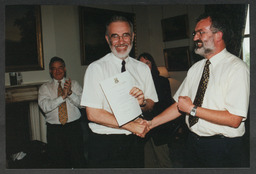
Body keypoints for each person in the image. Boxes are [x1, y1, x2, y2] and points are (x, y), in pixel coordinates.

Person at [142, 12, 250, 168]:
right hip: (193, 143)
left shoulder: (237, 68)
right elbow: (180, 106)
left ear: (218, 35)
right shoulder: (196, 68)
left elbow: (234, 119)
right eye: (195, 33)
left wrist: (192, 109)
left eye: (201, 32)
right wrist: (151, 124)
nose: (195, 38)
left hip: (222, 148)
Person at [80, 16, 158, 168]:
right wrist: (131, 125)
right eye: (115, 36)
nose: (121, 41)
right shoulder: (96, 68)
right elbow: (93, 114)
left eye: (125, 35)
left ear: (133, 37)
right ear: (107, 39)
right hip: (105, 143)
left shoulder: (142, 69)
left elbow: (151, 104)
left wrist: (142, 103)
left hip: (134, 141)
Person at [38, 56, 86, 168]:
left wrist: (70, 94)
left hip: (74, 128)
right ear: (50, 71)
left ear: (64, 69)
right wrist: (62, 97)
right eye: (54, 68)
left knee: (78, 160)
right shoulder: (44, 88)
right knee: (58, 162)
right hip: (55, 131)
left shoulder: (74, 84)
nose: (57, 71)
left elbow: (82, 104)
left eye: (60, 68)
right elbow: (45, 107)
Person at [138, 52, 181, 168]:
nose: (145, 66)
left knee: (164, 161)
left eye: (147, 63)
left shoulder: (162, 81)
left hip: (159, 127)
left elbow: (166, 105)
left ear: (152, 65)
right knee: (148, 162)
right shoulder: (135, 84)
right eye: (141, 64)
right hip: (143, 128)